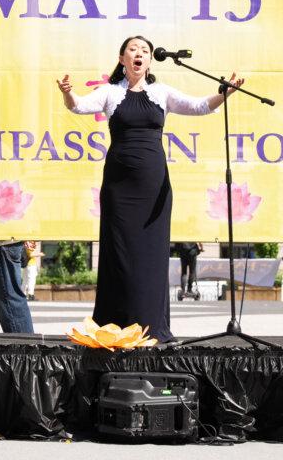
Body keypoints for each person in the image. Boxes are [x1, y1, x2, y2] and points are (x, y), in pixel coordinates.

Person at [59, 35, 243, 342]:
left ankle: (150, 325)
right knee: (118, 252)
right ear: (122, 59)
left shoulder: (161, 93)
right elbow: (78, 106)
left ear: (150, 59)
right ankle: (114, 325)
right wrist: (68, 94)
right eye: (133, 49)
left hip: (153, 183)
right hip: (119, 185)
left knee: (150, 254)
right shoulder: (110, 92)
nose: (139, 54)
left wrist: (224, 94)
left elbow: (198, 106)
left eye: (144, 50)